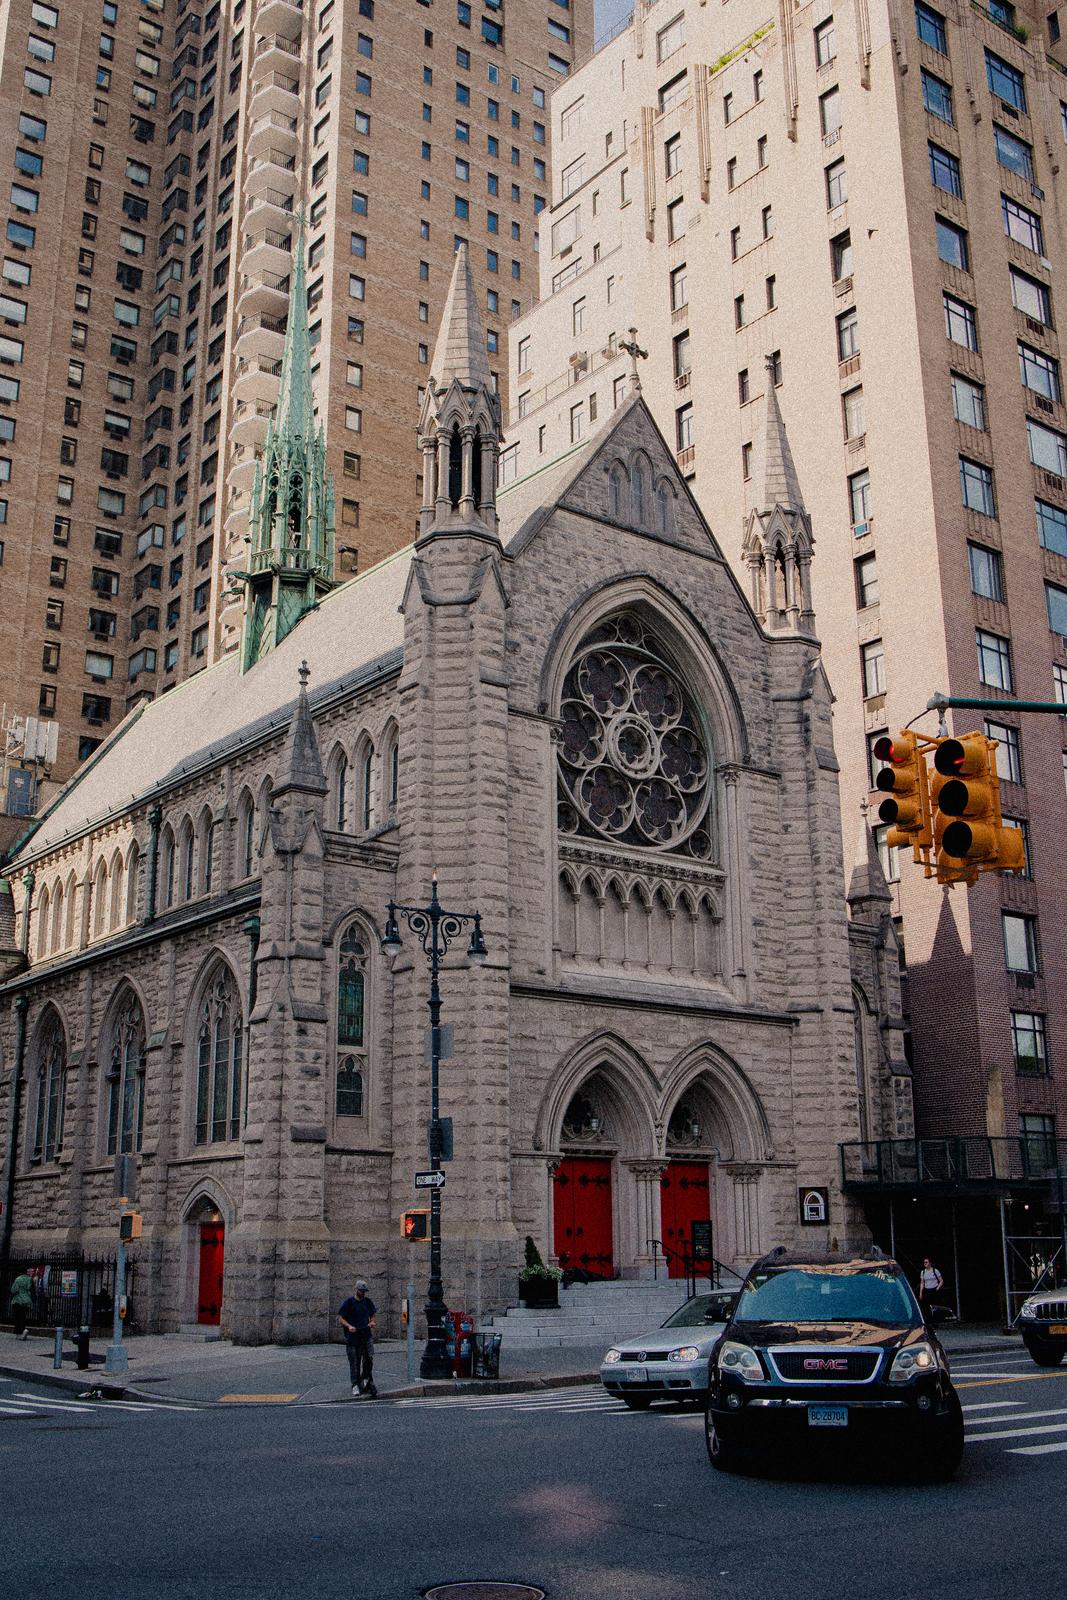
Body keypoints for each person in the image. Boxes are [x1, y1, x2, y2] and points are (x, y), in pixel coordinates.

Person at [338, 1279, 378, 1398]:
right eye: (361, 1291)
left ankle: (366, 1379)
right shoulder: (349, 1303)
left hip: (366, 1335)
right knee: (354, 1362)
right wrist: (349, 1326)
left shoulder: (367, 1302)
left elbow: (373, 1315)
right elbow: (341, 1318)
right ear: (356, 1289)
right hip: (353, 1337)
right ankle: (355, 1384)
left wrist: (372, 1322)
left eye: (365, 1291)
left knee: (368, 1359)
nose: (363, 1293)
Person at [9, 1270, 33, 1340]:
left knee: (17, 1317)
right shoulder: (30, 1279)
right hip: (26, 1301)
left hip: (18, 1300)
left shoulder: (18, 1279)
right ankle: (23, 1330)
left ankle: (20, 1332)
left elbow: (13, 1290)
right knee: (23, 1317)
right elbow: (31, 1289)